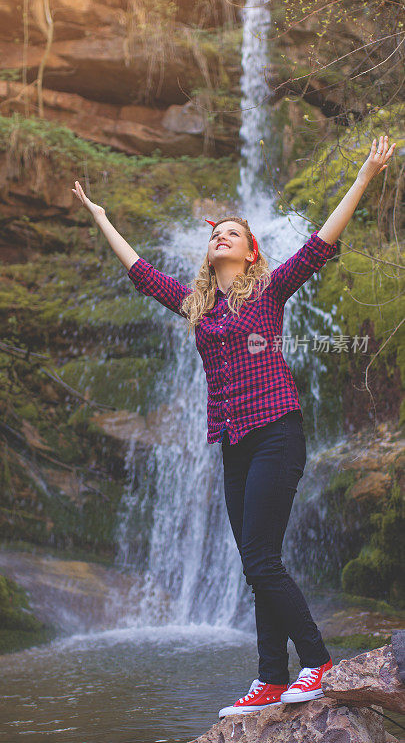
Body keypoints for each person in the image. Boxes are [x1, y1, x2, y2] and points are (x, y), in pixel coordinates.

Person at [71, 135, 396, 717]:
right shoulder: (198, 307)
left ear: (250, 254)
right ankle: (271, 678)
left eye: (233, 233)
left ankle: (316, 662)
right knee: (256, 561)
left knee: (260, 561)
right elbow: (142, 274)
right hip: (233, 444)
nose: (219, 235)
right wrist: (101, 218)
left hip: (277, 431)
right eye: (216, 232)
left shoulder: (269, 292)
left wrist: (366, 175)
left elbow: (322, 242)